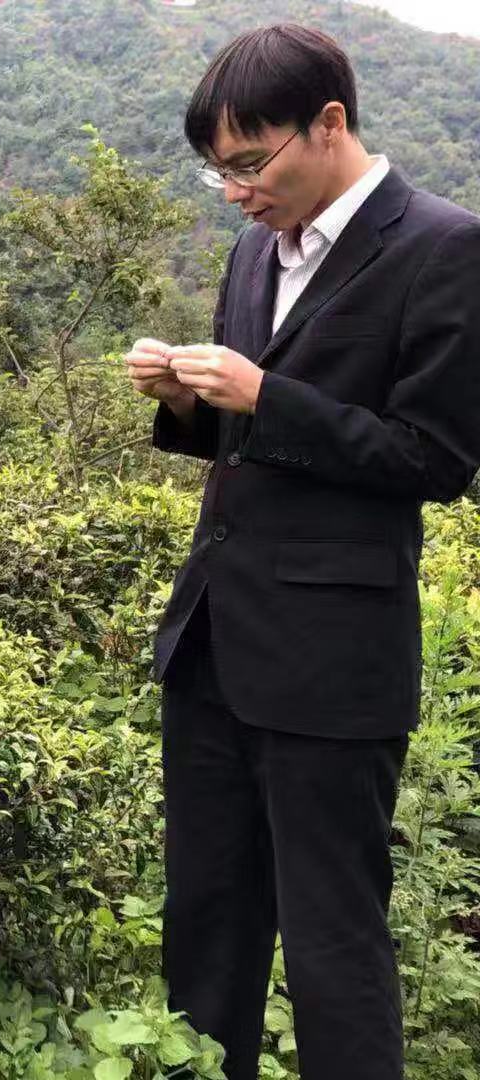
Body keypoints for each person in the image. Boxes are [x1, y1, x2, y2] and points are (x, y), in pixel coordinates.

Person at [126, 23, 480, 1080]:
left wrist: (266, 396)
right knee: (206, 922)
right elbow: (248, 444)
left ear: (329, 123)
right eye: (219, 172)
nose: (236, 193)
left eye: (250, 163)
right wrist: (188, 402)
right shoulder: (254, 249)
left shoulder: (445, 247)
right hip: (214, 644)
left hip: (333, 664)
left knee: (333, 941)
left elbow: (435, 458)